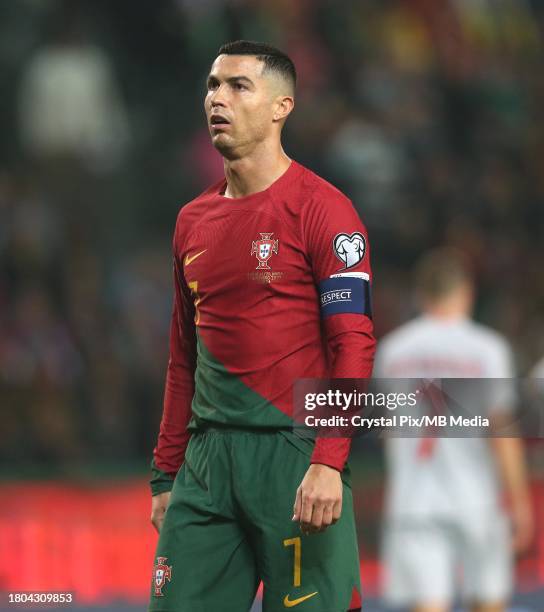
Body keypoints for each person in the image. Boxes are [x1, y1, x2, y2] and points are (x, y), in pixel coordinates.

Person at [149, 41, 376, 612]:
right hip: (206, 465)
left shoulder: (324, 211)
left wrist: (328, 459)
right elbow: (183, 356)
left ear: (282, 106)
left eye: (238, 86)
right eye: (211, 85)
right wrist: (164, 474)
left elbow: (353, 344)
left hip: (294, 458)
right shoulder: (191, 221)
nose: (217, 99)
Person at [374, 248, 534, 612]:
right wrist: (521, 503)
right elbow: (503, 433)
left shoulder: (392, 351)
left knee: (429, 605)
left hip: (413, 500)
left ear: (420, 295)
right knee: (489, 601)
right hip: (476, 498)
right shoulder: (488, 349)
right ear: (466, 292)